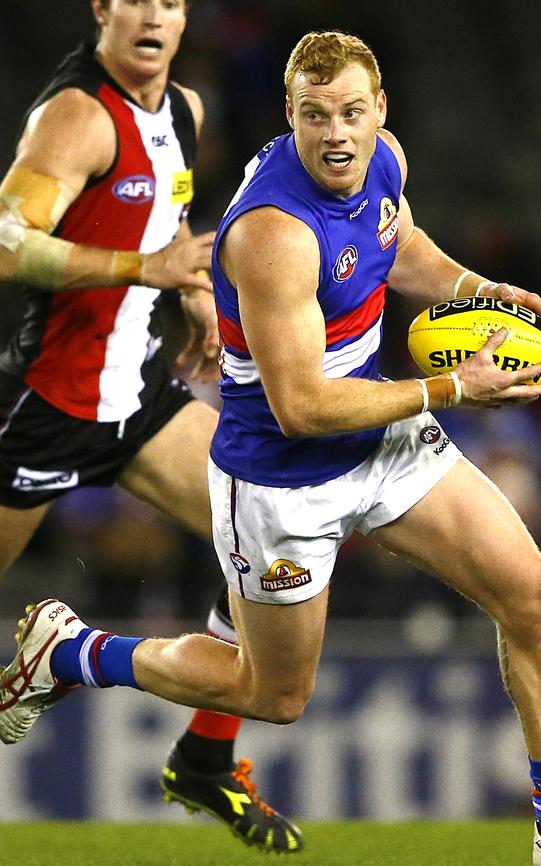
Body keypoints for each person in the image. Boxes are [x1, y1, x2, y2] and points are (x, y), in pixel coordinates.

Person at [1, 28, 541, 866]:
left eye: (351, 112)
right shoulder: (272, 234)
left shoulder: (384, 160)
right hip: (284, 478)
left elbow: (398, 241)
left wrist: (478, 288)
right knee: (271, 693)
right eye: (315, 116)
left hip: (382, 434)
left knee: (535, 594)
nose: (336, 133)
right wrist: (455, 389)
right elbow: (302, 408)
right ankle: (78, 653)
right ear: (290, 116)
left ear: (381, 109)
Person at [0, 0, 303, 854]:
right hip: (45, 407)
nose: (153, 15)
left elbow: (163, 215)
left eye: (169, 0)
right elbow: (8, 243)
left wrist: (194, 292)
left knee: (278, 526)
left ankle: (204, 761)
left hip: (139, 400)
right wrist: (147, 268)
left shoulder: (185, 108)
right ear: (102, 7)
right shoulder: (76, 115)